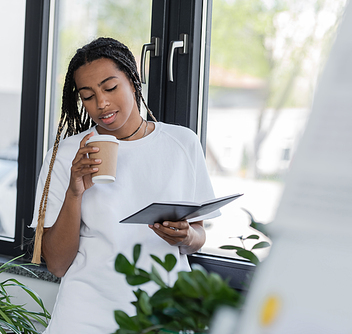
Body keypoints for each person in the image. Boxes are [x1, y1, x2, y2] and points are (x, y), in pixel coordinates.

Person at [30, 37, 218, 333]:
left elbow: (197, 235)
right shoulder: (67, 155)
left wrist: (184, 237)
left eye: (110, 87)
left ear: (133, 80)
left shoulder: (182, 143)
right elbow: (56, 264)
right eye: (88, 95)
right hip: (85, 317)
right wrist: (74, 190)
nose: (101, 103)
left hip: (162, 313)